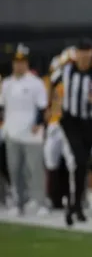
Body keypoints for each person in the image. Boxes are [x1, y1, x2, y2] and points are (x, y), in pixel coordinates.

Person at [52, 38, 92, 225]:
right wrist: (53, 105)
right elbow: (52, 85)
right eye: (80, 51)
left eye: (87, 51)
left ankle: (75, 205)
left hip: (89, 122)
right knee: (78, 159)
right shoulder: (65, 70)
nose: (83, 54)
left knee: (83, 164)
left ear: (91, 53)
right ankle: (74, 204)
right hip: (70, 121)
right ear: (76, 53)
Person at [1, 45, 49, 216]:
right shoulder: (7, 83)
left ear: (27, 64)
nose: (18, 66)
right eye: (16, 62)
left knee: (34, 169)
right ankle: (18, 202)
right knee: (15, 169)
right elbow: (3, 106)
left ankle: (40, 202)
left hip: (31, 133)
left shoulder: (35, 83)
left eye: (22, 62)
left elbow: (42, 107)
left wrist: (38, 123)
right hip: (12, 132)